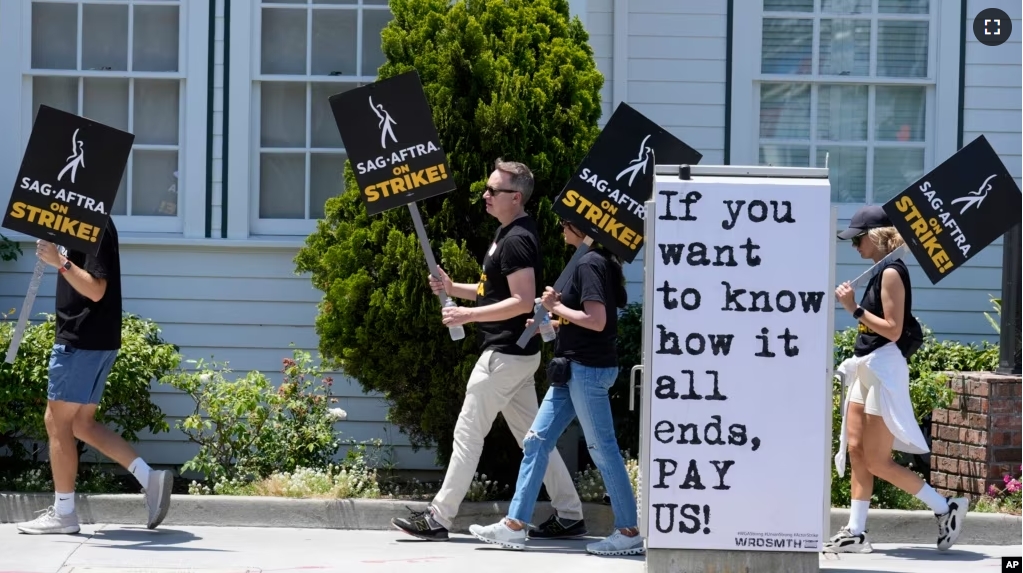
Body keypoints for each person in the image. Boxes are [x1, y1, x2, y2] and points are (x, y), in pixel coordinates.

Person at [391, 159, 586, 541]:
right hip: (515, 355)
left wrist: (468, 315)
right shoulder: (508, 232)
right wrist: (455, 286)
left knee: (468, 432)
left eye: (493, 190)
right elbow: (493, 290)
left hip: (504, 356)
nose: (485, 194)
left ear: (515, 197)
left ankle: (438, 518)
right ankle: (570, 513)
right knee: (534, 438)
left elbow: (521, 299)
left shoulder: (516, 240)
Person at [468, 218, 644, 557]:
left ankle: (628, 531)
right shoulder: (593, 261)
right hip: (573, 369)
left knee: (602, 448)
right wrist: (553, 323)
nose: (560, 228)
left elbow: (597, 321)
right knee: (535, 441)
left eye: (565, 223)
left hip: (587, 371)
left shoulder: (591, 262)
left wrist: (555, 306)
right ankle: (515, 525)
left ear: (583, 229)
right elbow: (587, 321)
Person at [16, 219, 173, 535]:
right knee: (80, 424)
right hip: (93, 340)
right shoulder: (75, 222)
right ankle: (149, 478)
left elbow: (96, 288)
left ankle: (64, 513)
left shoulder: (91, 222)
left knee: (56, 421)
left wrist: (59, 261)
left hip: (81, 340)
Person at [827, 205, 968, 553]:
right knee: (857, 451)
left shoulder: (891, 272)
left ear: (875, 237)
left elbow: (893, 330)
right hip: (866, 363)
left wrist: (854, 309)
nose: (854, 246)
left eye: (858, 239)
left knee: (876, 459)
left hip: (883, 366)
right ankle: (855, 532)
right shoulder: (877, 271)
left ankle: (944, 507)